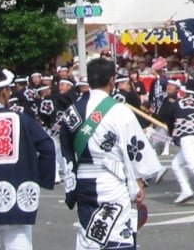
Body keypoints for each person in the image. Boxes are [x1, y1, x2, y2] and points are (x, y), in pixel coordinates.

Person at [60, 58, 162, 250]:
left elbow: (66, 152)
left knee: (90, 234)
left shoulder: (72, 112)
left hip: (84, 183)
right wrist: (139, 181)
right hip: (112, 180)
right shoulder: (119, 111)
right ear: (111, 80)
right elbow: (135, 148)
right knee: (117, 234)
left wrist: (71, 185)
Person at [0, 68, 56, 250]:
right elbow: (47, 148)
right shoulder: (22, 120)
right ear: (5, 92)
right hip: (19, 201)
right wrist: (38, 178)